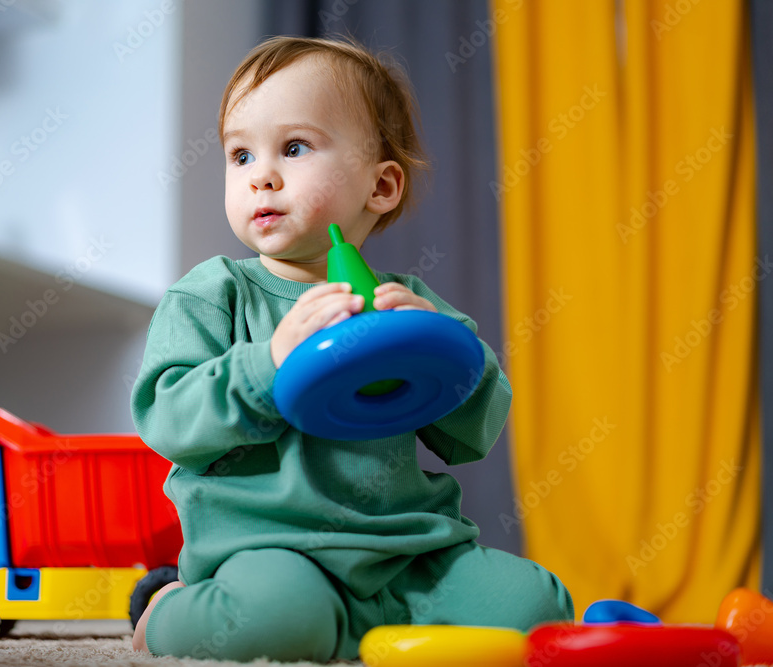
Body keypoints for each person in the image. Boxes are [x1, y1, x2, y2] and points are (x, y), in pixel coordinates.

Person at [129, 35, 573, 662]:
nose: (263, 175)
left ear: (381, 186)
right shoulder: (213, 293)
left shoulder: (403, 301)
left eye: (295, 147)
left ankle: (364, 629)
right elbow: (165, 417)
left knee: (536, 611)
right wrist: (269, 362)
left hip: (410, 553)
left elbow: (472, 435)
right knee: (281, 621)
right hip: (270, 553)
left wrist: (445, 347)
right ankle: (171, 608)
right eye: (240, 155)